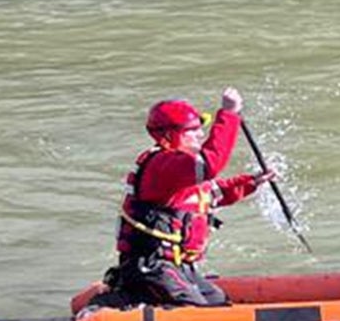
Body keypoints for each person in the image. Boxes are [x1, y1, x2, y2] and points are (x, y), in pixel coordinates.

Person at [107, 87, 276, 307]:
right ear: (169, 135)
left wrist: (252, 182)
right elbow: (211, 165)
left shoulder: (179, 170)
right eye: (193, 130)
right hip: (152, 267)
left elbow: (209, 195)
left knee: (218, 302)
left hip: (179, 266)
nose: (200, 135)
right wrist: (229, 114)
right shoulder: (163, 165)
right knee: (199, 311)